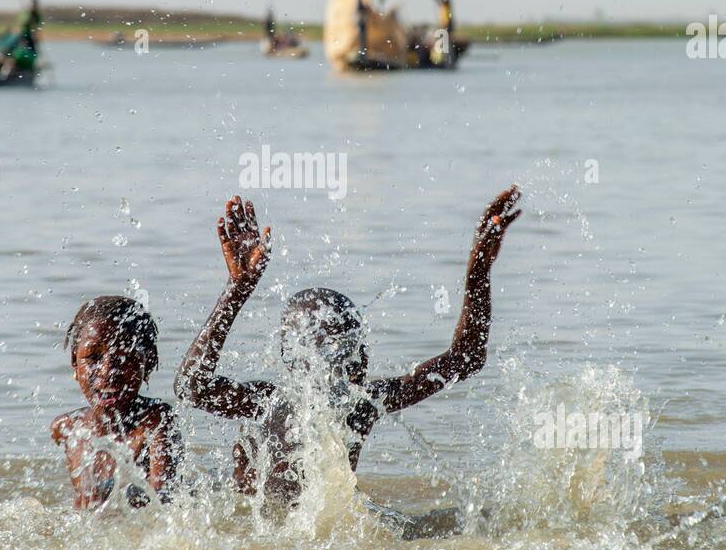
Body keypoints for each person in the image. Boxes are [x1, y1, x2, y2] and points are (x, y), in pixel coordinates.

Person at [174, 190, 521, 517]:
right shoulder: (266, 404)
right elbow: (190, 388)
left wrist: (479, 271)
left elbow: (467, 357)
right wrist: (236, 290)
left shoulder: (361, 403)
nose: (355, 359)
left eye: (356, 344)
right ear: (293, 356)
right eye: (334, 347)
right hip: (269, 530)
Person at [51, 296, 181, 509]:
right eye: (93, 357)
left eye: (126, 357)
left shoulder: (155, 421)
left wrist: (105, 496)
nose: (108, 372)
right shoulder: (66, 428)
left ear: (147, 365)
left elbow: (162, 500)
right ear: (75, 363)